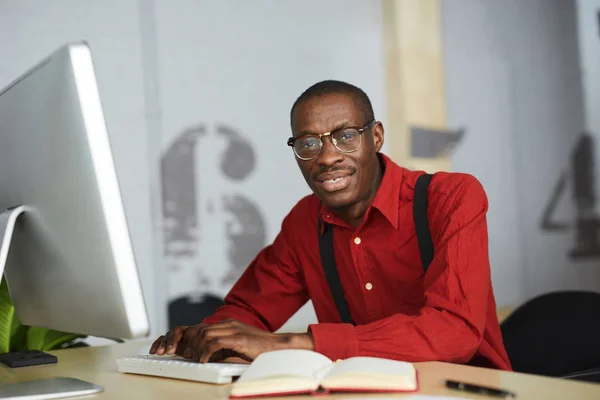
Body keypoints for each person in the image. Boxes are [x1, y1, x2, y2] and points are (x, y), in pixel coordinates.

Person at [150, 80, 512, 371]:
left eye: (346, 135)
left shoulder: (450, 197)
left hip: (465, 389)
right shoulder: (304, 222)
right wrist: (206, 337)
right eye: (308, 143)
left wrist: (295, 342)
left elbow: (454, 332)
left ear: (376, 137)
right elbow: (249, 312)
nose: (326, 157)